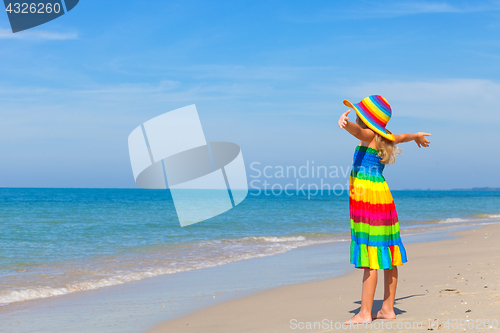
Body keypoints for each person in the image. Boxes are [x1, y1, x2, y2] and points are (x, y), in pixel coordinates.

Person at [338, 95, 431, 324]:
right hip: (382, 198)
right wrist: (417, 136)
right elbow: (405, 136)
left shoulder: (368, 135)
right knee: (386, 251)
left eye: (358, 114)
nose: (357, 116)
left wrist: (345, 123)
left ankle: (364, 313)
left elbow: (358, 132)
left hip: (368, 200)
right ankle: (388, 308)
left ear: (364, 118)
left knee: (370, 256)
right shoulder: (387, 138)